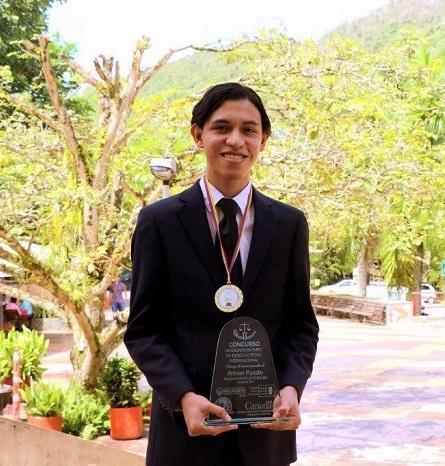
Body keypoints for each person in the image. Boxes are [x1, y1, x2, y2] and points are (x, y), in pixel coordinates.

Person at [125, 82, 319, 466]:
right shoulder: (158, 222)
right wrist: (182, 397)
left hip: (266, 439)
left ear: (263, 139)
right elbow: (144, 330)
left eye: (249, 129)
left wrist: (293, 387)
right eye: (221, 127)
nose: (236, 140)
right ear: (198, 135)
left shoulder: (289, 224)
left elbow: (301, 326)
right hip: (185, 439)